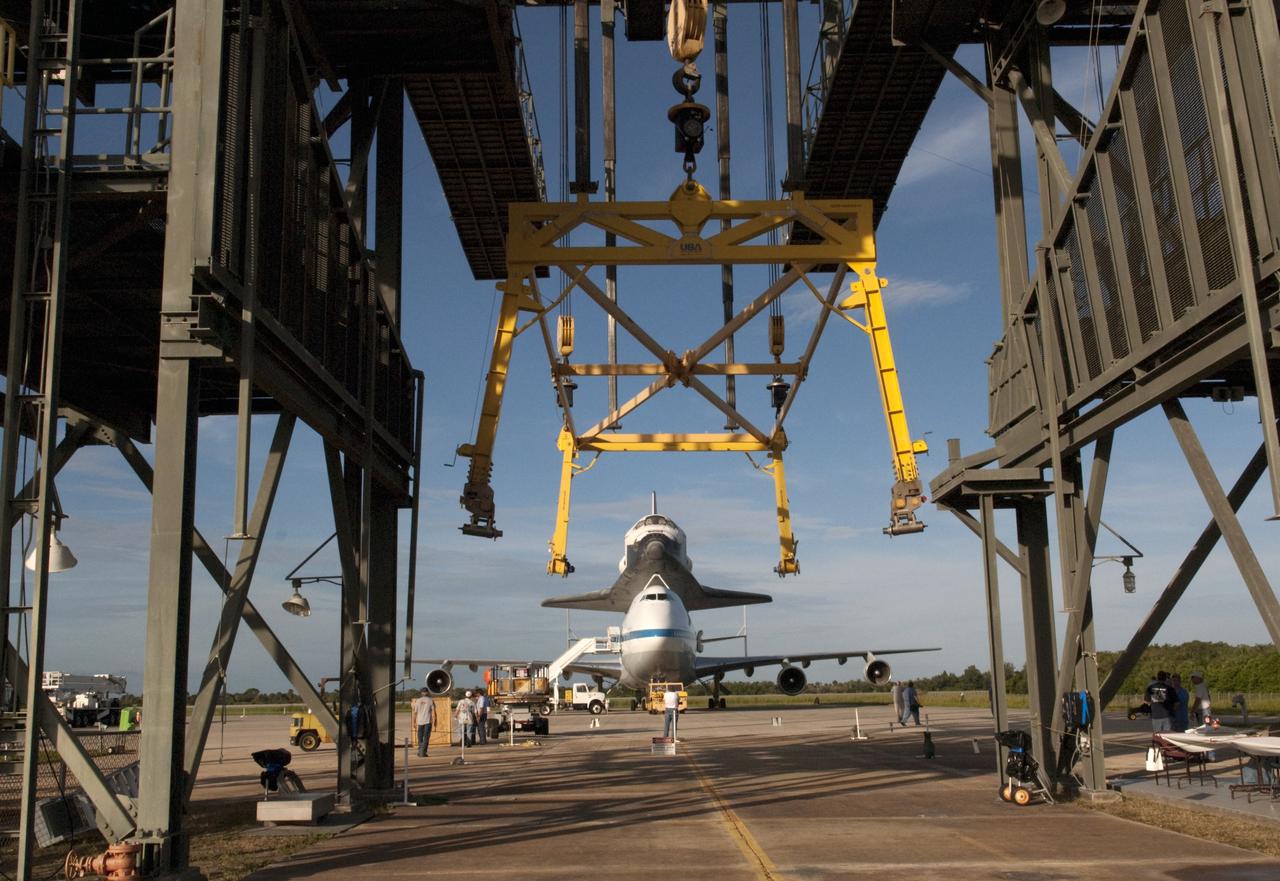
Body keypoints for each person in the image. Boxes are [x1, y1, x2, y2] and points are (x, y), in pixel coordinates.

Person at [411, 688, 437, 757]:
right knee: (426, 737)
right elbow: (434, 713)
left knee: (420, 737)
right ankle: (423, 752)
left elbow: (415, 713)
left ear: (421, 693)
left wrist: (414, 722)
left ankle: (420, 751)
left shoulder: (417, 701)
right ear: (427, 692)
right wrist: (435, 722)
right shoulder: (431, 700)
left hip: (420, 722)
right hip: (428, 721)